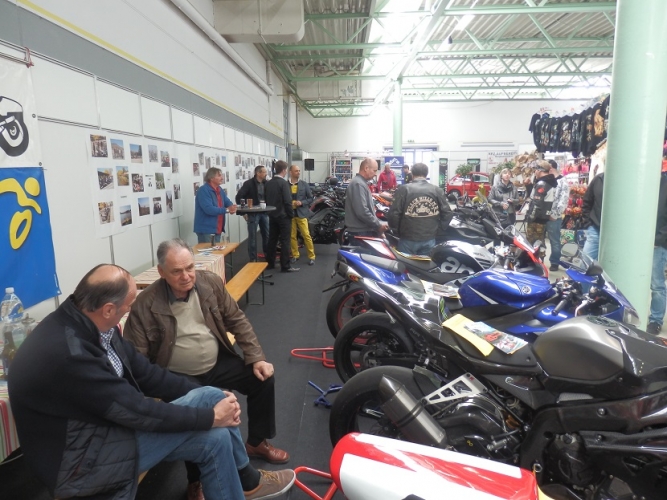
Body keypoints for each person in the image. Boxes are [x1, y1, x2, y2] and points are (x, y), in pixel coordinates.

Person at [8, 264, 294, 500]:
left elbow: (146, 374)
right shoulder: (72, 354)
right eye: (127, 306)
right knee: (214, 427)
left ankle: (246, 481)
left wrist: (212, 400)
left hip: (102, 431)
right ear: (108, 309)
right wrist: (210, 416)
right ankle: (247, 480)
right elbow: (135, 410)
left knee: (215, 415)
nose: (129, 310)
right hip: (79, 462)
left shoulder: (93, 324)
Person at [124, 239, 291, 499]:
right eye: (177, 271)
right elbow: (137, 360)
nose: (186, 276)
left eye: (189, 267)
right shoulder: (145, 304)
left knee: (262, 378)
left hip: (217, 361)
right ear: (161, 272)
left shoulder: (209, 283)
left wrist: (256, 357)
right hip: (175, 375)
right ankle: (196, 480)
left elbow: (236, 319)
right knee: (199, 414)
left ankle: (256, 442)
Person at [387, 163, 452, 255]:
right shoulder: (437, 190)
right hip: (429, 238)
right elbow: (447, 213)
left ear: (412, 174)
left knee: (405, 263)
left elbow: (394, 214)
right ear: (426, 174)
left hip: (407, 238)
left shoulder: (404, 189)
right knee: (424, 264)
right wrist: (437, 231)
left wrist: (397, 232)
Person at [345, 158, 387, 245]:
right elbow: (362, 211)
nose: (375, 174)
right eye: (374, 170)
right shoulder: (358, 184)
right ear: (366, 168)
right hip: (360, 232)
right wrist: (378, 226)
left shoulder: (361, 183)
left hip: (362, 230)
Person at [265, 160, 298, 272]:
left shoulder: (268, 183)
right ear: (284, 170)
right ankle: (285, 265)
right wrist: (291, 214)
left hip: (272, 215)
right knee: (285, 241)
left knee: (272, 240)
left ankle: (270, 263)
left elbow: (266, 199)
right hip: (283, 216)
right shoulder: (284, 183)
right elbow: (288, 201)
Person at [647, 166, 667, 334]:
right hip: (639, 242)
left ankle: (655, 320)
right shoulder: (644, 182)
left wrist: (658, 239)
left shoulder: (664, 184)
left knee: (657, 284)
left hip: (657, 243)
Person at [195, 167, 237, 244]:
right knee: (210, 251)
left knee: (217, 250)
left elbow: (226, 201)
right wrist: (227, 210)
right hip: (207, 229)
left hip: (217, 228)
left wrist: (231, 206)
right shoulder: (203, 190)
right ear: (211, 178)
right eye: (219, 176)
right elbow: (209, 209)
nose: (222, 178)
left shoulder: (219, 189)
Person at [236, 165, 270, 261]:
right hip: (253, 213)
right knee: (253, 237)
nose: (266, 174)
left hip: (264, 212)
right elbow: (239, 198)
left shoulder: (267, 183)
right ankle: (253, 259)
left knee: (267, 235)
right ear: (258, 173)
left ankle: (268, 257)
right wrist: (243, 212)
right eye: (264, 172)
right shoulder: (248, 184)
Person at [525, 161, 558, 254]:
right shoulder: (550, 182)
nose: (535, 172)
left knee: (532, 244)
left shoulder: (542, 184)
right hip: (543, 218)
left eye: (535, 170)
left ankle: (535, 261)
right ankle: (539, 259)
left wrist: (530, 217)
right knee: (539, 241)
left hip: (537, 219)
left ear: (539, 170)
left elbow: (537, 203)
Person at [546, 160, 571, 271]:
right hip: (543, 215)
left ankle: (555, 262)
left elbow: (563, 200)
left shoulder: (562, 181)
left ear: (551, 168)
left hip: (554, 217)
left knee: (554, 240)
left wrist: (555, 214)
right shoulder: (547, 180)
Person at [288, 164, 316, 266]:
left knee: (306, 235)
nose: (298, 172)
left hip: (302, 213)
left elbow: (311, 198)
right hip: (290, 214)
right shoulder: (285, 185)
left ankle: (312, 256)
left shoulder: (304, 184)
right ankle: (295, 255)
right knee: (292, 236)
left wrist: (302, 202)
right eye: (296, 171)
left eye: (299, 171)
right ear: (290, 172)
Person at [582, 171, 605, 261]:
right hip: (595, 228)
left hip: (618, 233)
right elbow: (587, 201)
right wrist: (589, 223)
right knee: (586, 260)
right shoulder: (599, 179)